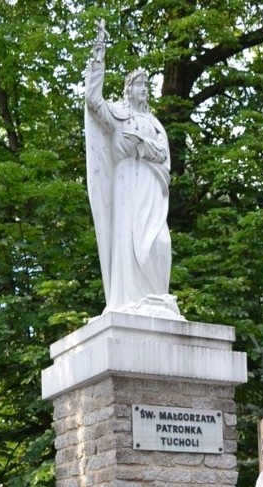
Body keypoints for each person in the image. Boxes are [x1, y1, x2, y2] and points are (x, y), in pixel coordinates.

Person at [84, 22, 177, 317]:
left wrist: (146, 146)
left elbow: (163, 155)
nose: (144, 90)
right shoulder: (119, 116)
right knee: (130, 239)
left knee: (159, 241)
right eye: (139, 85)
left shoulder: (155, 124)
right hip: (127, 183)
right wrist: (99, 55)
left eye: (146, 85)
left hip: (151, 185)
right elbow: (93, 101)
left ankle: (157, 297)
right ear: (128, 89)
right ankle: (130, 299)